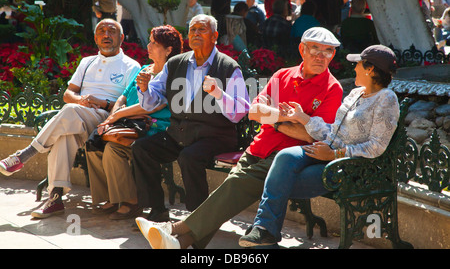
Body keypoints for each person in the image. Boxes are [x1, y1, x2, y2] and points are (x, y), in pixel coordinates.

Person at [135, 27, 344, 249]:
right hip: (257, 148)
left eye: (328, 51)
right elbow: (254, 112)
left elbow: (313, 135)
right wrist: (285, 121)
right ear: (302, 49)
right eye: (315, 49)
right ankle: (181, 243)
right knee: (230, 191)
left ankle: (175, 230)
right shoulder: (282, 75)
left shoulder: (332, 88)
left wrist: (274, 120)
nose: (321, 57)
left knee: (233, 186)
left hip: (286, 157)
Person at [239, 44, 400, 247]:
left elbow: (377, 146)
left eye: (358, 64)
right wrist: (303, 117)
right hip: (327, 151)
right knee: (285, 157)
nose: (354, 68)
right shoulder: (356, 94)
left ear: (370, 69)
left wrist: (335, 154)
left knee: (281, 181)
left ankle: (265, 229)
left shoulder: (387, 99)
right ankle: (265, 229)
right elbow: (332, 131)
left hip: (350, 166)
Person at [0, 19, 141, 218]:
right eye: (101, 31)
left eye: (112, 31)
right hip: (79, 115)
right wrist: (82, 100)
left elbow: (129, 103)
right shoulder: (87, 62)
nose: (106, 35)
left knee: (69, 111)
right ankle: (55, 198)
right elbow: (68, 94)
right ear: (95, 37)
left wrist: (102, 103)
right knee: (65, 135)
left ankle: (25, 155)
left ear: (121, 38)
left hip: (107, 119)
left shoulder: (131, 66)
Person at [132, 14, 250, 222]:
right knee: (142, 148)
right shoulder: (175, 63)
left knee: (189, 156)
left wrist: (218, 93)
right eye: (192, 30)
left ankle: (198, 220)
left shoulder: (229, 67)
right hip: (180, 134)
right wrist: (144, 89)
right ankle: (157, 209)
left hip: (215, 136)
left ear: (214, 36)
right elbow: (152, 101)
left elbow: (241, 111)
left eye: (201, 30)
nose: (195, 33)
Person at [85, 25, 182, 220]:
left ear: (169, 50)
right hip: (127, 123)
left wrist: (116, 117)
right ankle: (111, 198)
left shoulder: (172, 74)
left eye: (154, 43)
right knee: (93, 144)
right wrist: (114, 115)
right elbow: (122, 96)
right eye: (150, 42)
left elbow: (151, 106)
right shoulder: (145, 69)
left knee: (113, 149)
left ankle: (131, 202)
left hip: (150, 128)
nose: (149, 46)